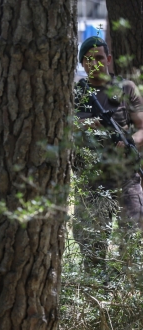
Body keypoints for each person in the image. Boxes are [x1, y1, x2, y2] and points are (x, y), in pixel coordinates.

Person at [73, 36, 143, 269]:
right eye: (89, 60)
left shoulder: (125, 88)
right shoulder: (77, 93)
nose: (95, 64)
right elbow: (63, 129)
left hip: (125, 177)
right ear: (82, 63)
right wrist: (87, 126)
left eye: (100, 58)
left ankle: (127, 295)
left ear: (109, 59)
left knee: (131, 242)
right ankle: (97, 291)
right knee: (91, 246)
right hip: (92, 180)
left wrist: (130, 142)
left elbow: (142, 127)